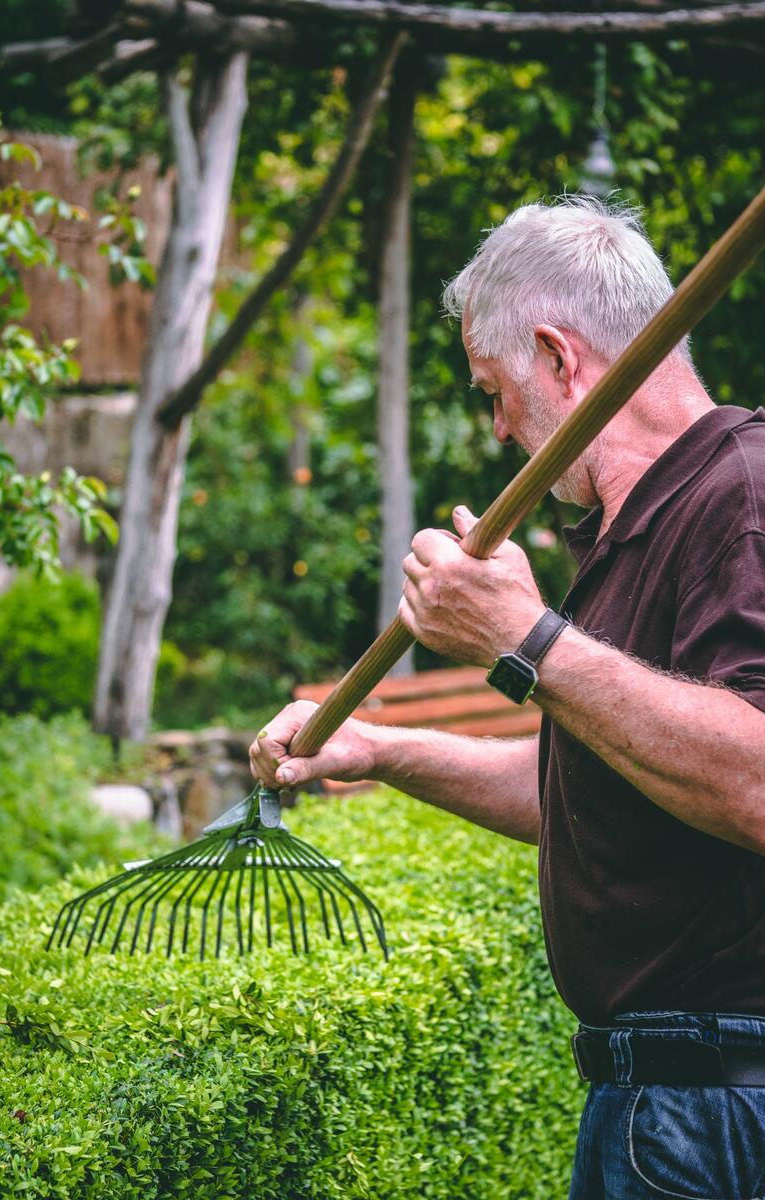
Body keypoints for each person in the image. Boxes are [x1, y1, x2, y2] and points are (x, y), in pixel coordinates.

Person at [250, 195, 765, 1199]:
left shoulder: (739, 495)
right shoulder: (633, 530)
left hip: (715, 1102)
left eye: (494, 390)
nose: (496, 430)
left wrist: (526, 641)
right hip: (656, 1098)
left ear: (557, 357)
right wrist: (381, 748)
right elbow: (589, 797)